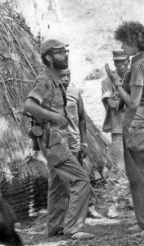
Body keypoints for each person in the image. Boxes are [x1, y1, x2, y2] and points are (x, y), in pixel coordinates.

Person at [23, 39, 94, 240]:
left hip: (54, 140)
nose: (66, 55)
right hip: (54, 141)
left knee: (57, 185)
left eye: (66, 51)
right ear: (48, 57)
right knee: (81, 180)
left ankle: (55, 227)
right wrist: (55, 117)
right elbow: (29, 105)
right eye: (60, 52)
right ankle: (73, 227)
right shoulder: (44, 79)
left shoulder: (54, 80)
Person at [105, 21, 144, 233]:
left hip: (137, 120)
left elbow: (133, 102)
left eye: (124, 44)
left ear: (133, 42)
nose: (122, 48)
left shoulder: (139, 65)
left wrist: (116, 82)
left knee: (141, 173)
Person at [59, 68, 103, 219]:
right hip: (58, 143)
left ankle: (89, 207)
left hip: (74, 141)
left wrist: (84, 142)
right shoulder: (50, 94)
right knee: (63, 179)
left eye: (68, 75)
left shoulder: (74, 93)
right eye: (62, 76)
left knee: (81, 175)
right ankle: (71, 212)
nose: (65, 79)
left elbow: (82, 118)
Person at [101, 50, 130, 218]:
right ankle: (112, 204)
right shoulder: (106, 82)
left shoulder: (133, 78)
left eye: (123, 61)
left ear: (128, 61)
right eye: (117, 62)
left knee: (133, 165)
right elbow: (112, 104)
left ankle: (128, 199)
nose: (120, 65)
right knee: (118, 166)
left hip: (133, 126)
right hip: (118, 128)